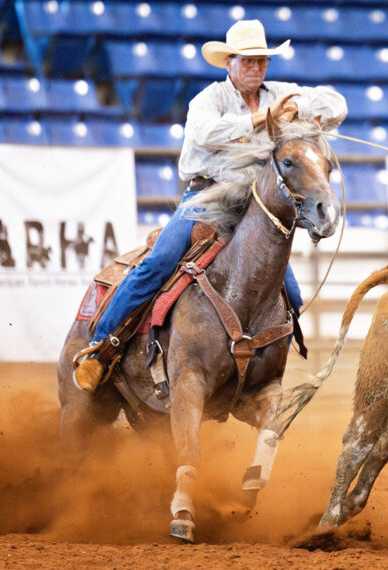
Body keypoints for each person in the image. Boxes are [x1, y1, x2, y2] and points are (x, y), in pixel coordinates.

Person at [74, 19, 348, 392]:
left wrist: (299, 106)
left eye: (261, 61)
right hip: (206, 198)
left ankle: (261, 372)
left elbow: (337, 105)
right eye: (246, 61)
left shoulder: (281, 93)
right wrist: (263, 119)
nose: (255, 68)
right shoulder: (209, 100)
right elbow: (206, 132)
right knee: (158, 262)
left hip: (254, 205)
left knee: (291, 294)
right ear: (229, 63)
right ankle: (101, 348)